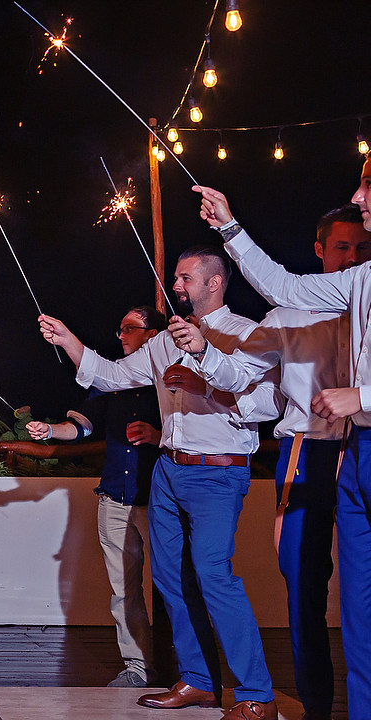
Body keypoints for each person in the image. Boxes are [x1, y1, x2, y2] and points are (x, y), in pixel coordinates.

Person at [38, 245, 283, 720]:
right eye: (176, 278)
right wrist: (69, 340)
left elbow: (269, 403)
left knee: (213, 574)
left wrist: (205, 372)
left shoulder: (247, 333)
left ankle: (258, 694)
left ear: (214, 283)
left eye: (185, 279)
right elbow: (111, 376)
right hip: (168, 469)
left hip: (218, 470)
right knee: (169, 577)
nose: (175, 287)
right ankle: (197, 681)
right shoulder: (164, 340)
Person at [173, 173, 371, 720]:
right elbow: (241, 371)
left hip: (357, 450)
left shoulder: (364, 298)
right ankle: (315, 705)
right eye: (340, 248)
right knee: (305, 588)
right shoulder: (290, 313)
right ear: (320, 250)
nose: (351, 257)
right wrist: (203, 355)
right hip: (304, 455)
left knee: (361, 598)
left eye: (360, 248)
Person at [26, 305, 166, 688]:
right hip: (115, 499)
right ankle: (138, 669)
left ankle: (190, 672)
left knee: (174, 585)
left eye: (129, 328)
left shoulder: (170, 379)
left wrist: (158, 435)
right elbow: (81, 426)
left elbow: (193, 427)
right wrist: (50, 432)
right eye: (119, 328)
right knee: (124, 591)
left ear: (153, 335)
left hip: (159, 500)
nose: (120, 335)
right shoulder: (110, 382)